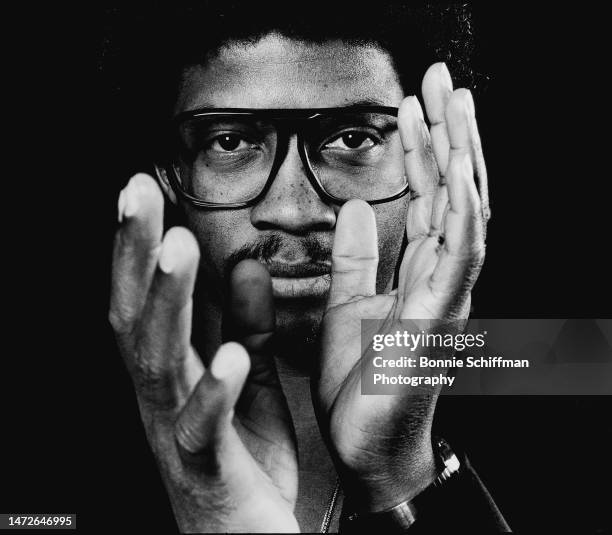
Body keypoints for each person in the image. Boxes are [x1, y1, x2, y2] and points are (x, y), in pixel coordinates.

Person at [106, 4, 509, 532]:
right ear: (169, 170)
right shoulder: (45, 445)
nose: (293, 211)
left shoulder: (564, 391)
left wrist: (400, 475)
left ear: (426, 158)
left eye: (353, 139)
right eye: (230, 141)